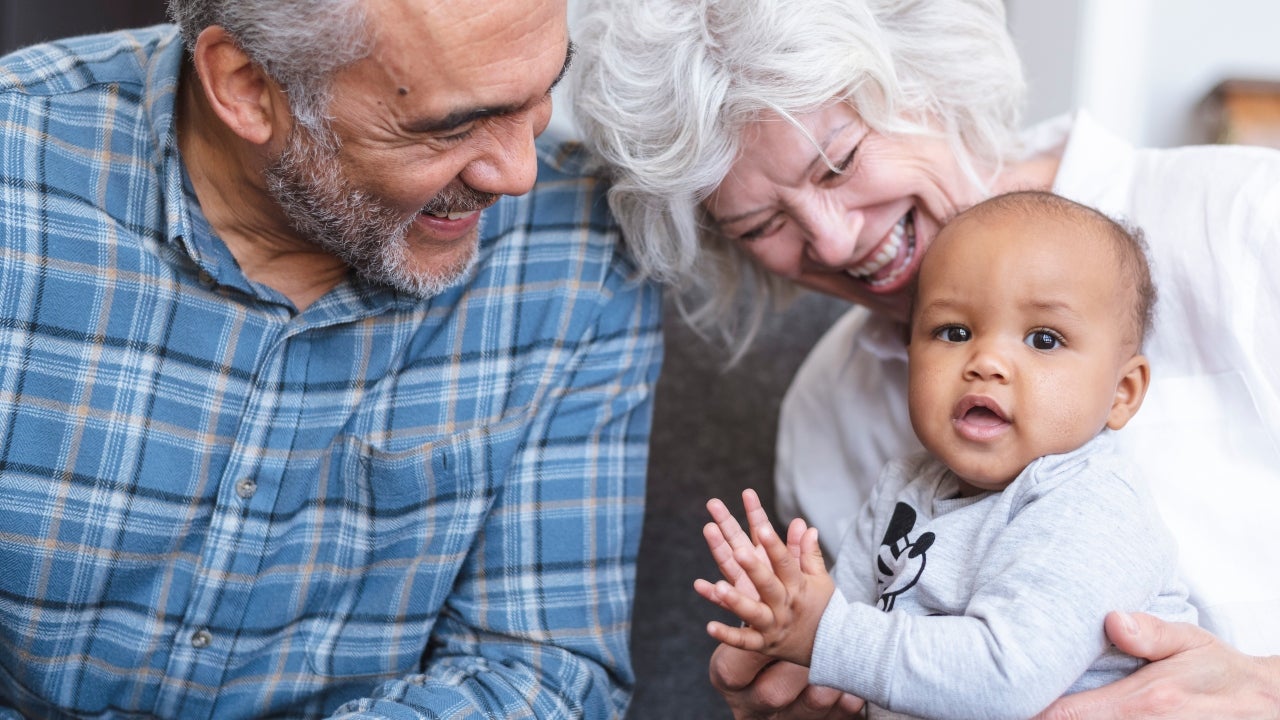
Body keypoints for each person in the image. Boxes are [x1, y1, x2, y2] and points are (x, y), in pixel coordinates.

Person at [570, 0, 1280, 717]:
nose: (834, 241)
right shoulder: (826, 412)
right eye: (763, 224)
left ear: (928, 79)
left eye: (838, 164)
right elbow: (868, 652)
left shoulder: (1248, 221)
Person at [0, 1, 661, 718]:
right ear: (247, 84)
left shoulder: (577, 256)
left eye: (539, 98)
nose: (517, 173)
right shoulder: (18, 174)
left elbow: (539, 675)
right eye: (454, 126)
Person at [695, 191, 1197, 719]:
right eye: (953, 332)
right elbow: (847, 639)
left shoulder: (1094, 506)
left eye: (1044, 339)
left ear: (1122, 392)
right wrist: (784, 625)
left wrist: (824, 634)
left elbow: (1003, 680)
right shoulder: (903, 489)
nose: (987, 361)